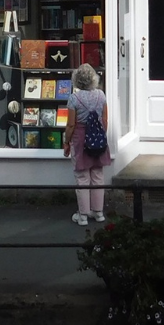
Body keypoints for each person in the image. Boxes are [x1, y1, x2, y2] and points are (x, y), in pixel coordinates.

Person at [62, 63, 111, 225]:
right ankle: (98, 213)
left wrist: (66, 142)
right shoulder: (101, 95)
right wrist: (101, 136)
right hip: (98, 139)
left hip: (80, 141)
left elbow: (70, 125)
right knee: (97, 175)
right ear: (93, 79)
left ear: (77, 80)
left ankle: (83, 215)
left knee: (82, 177)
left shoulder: (73, 99)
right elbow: (104, 120)